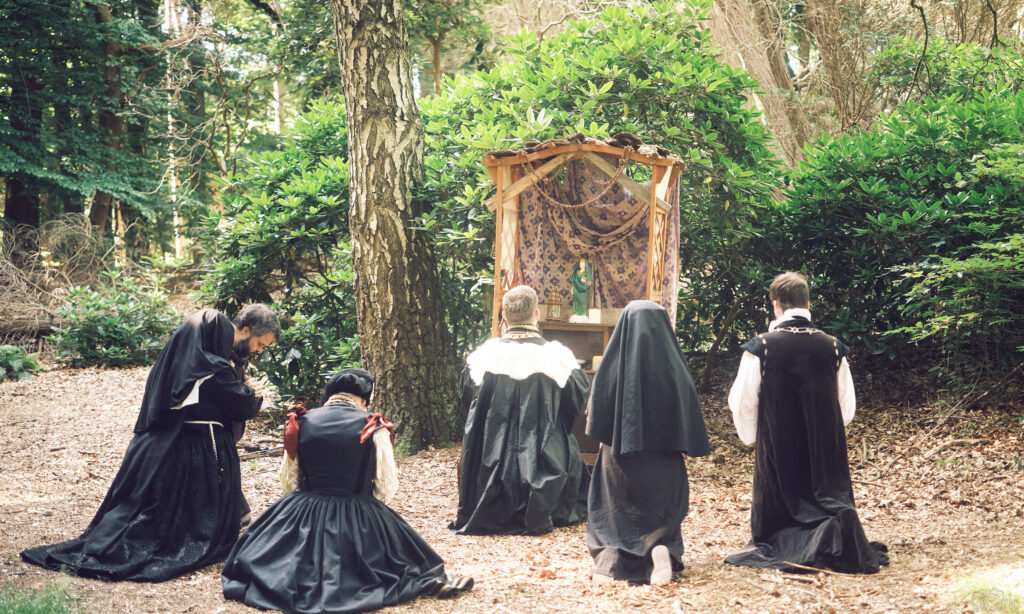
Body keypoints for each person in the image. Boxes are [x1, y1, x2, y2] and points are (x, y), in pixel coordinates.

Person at [21, 306, 280, 582]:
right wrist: (253, 393)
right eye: (259, 344)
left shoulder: (189, 365)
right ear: (243, 330)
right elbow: (241, 406)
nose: (258, 350)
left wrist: (243, 387)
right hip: (196, 444)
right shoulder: (213, 368)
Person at [222, 368, 472, 613]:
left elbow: (289, 481)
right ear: (364, 399)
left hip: (305, 506)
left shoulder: (300, 421)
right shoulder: (374, 425)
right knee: (400, 561)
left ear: (331, 394)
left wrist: (303, 507)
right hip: (357, 507)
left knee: (271, 556)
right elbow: (385, 485)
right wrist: (369, 514)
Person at [725, 272, 888, 574]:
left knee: (780, 511)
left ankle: (797, 540)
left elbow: (743, 401)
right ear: (808, 303)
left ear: (776, 305)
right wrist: (825, 429)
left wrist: (754, 437)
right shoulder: (833, 346)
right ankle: (831, 531)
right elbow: (846, 405)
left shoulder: (762, 347)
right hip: (824, 447)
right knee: (828, 499)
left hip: (777, 443)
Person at [585, 300, 711, 586]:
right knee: (659, 516)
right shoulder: (676, 369)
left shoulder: (610, 368)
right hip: (663, 462)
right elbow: (688, 417)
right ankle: (659, 548)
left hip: (619, 461)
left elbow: (595, 418)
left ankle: (610, 559)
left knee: (614, 513)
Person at [450, 285, 589, 535]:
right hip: (545, 453)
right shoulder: (557, 356)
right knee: (561, 435)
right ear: (536, 314)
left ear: (504, 315)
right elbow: (575, 402)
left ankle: (493, 503)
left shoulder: (484, 356)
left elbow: (469, 406)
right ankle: (541, 504)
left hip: (489, 452)